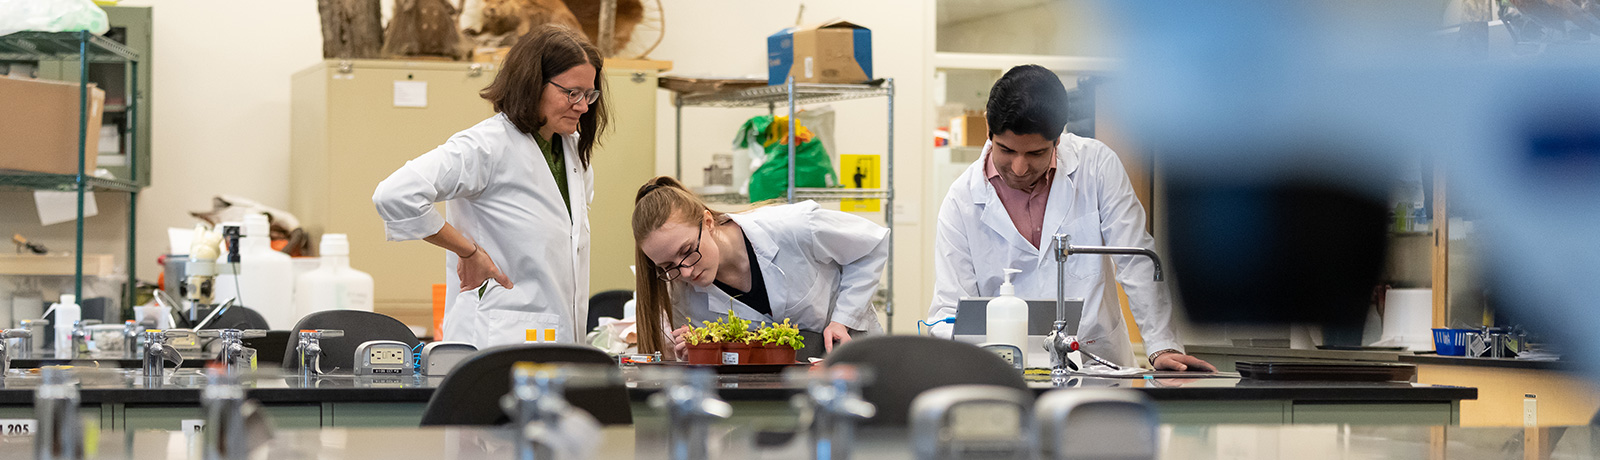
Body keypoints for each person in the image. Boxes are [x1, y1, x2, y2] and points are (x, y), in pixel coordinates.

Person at [927, 65, 1214, 371]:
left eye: (1036, 153)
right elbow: (950, 307)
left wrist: (1161, 346)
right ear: (989, 129)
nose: (1020, 167)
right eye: (1006, 150)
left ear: (1058, 138)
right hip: (1007, 371)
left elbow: (1136, 260)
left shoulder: (1096, 166)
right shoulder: (962, 201)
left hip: (1098, 363)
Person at [372, 25, 608, 348]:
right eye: (572, 93)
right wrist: (467, 251)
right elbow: (395, 194)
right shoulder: (486, 146)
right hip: (493, 340)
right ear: (533, 84)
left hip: (557, 342)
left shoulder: (572, 152)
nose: (582, 106)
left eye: (589, 94)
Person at [631, 176, 887, 360]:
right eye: (668, 266)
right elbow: (730, 361)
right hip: (783, 388)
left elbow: (871, 245)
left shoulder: (794, 226)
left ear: (707, 221)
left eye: (687, 251)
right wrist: (700, 352)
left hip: (852, 353)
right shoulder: (682, 295)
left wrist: (843, 319)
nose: (685, 271)